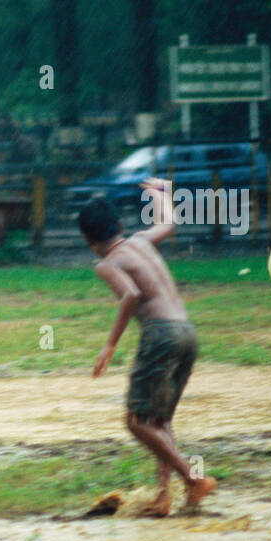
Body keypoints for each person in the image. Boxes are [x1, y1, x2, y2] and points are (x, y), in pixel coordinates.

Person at [78, 180, 216, 515]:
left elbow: (130, 295)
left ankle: (192, 478)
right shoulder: (140, 240)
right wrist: (159, 194)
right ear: (122, 227)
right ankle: (163, 496)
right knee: (160, 420)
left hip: (161, 335)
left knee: (137, 423)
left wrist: (109, 345)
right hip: (187, 332)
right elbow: (169, 223)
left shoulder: (107, 263)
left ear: (90, 241)